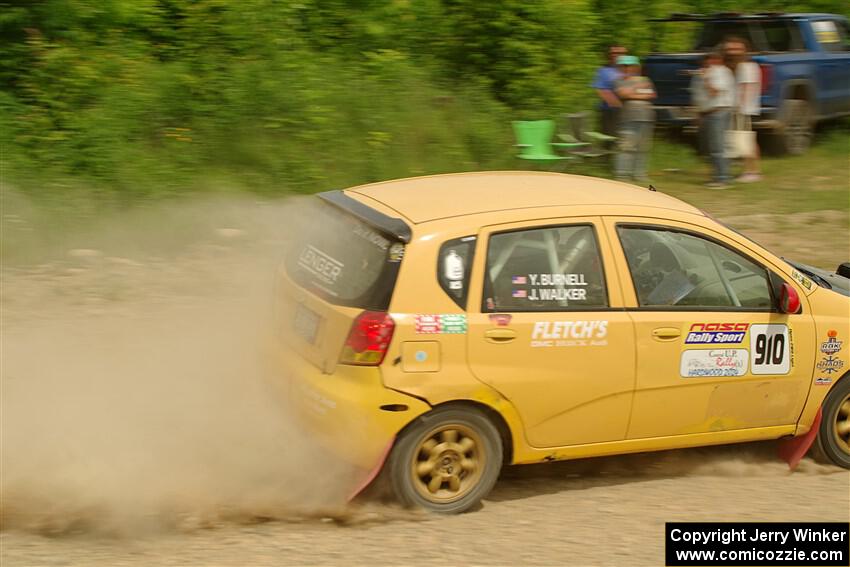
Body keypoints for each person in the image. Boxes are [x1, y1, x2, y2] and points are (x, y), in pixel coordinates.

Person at [725, 36, 762, 182]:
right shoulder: (737, 67)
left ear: (745, 50)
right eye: (730, 49)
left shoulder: (747, 67)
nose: (733, 52)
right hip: (737, 109)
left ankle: (752, 172)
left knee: (745, 141)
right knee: (747, 140)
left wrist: (740, 107)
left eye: (737, 49)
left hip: (742, 109)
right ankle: (750, 170)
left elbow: (747, 87)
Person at [613, 56, 656, 182]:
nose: (627, 68)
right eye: (624, 66)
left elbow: (651, 94)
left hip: (646, 117)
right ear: (620, 68)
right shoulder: (618, 80)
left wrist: (633, 93)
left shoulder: (645, 79)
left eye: (630, 66)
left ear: (636, 67)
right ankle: (622, 174)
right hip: (628, 117)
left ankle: (639, 174)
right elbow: (623, 94)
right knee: (626, 146)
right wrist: (638, 89)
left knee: (643, 147)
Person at [699, 50, 736, 188]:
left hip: (719, 112)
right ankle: (720, 176)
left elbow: (714, 91)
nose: (709, 62)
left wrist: (706, 79)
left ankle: (722, 178)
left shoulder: (720, 71)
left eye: (712, 59)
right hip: (713, 112)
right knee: (716, 146)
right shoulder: (716, 71)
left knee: (718, 147)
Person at [592, 45, 627, 142]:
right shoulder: (603, 71)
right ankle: (607, 157)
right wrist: (620, 106)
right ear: (609, 55)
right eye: (614, 53)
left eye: (620, 53)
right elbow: (602, 92)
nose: (617, 55)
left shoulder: (630, 71)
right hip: (609, 111)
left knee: (625, 140)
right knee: (609, 139)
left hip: (629, 110)